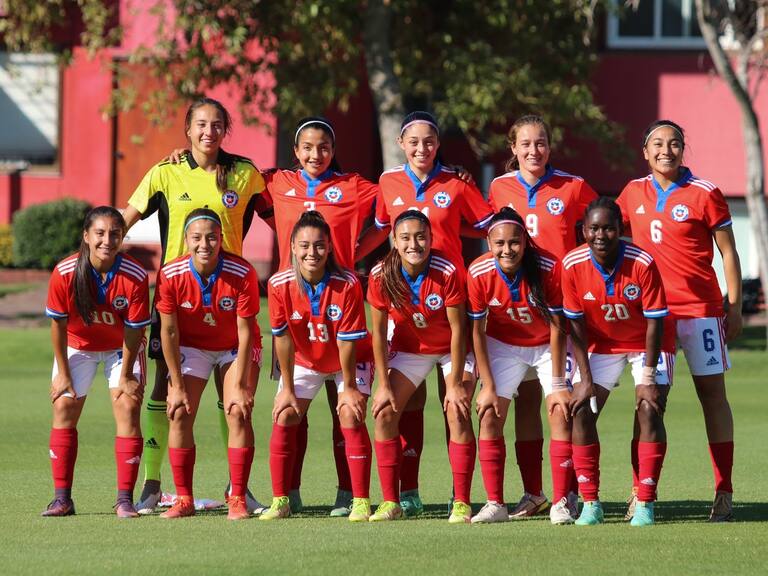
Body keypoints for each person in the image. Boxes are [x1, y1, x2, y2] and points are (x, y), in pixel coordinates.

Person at [123, 97, 268, 513]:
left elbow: (283, 211)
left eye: (217, 124)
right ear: (187, 130)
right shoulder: (165, 171)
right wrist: (92, 248)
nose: (209, 131)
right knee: (165, 392)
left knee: (234, 399)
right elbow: (125, 219)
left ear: (226, 130)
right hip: (176, 299)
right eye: (201, 124)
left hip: (230, 295)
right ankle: (153, 483)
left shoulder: (244, 174)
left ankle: (236, 488)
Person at [616, 120, 742, 522]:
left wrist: (734, 306)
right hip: (653, 317)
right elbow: (599, 231)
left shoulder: (705, 193)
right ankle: (642, 492)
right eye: (657, 143)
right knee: (650, 401)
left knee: (713, 397)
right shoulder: (632, 192)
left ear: (683, 149)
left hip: (702, 312)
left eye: (674, 143)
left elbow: (728, 252)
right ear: (645, 151)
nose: (665, 150)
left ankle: (724, 490)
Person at [368, 111, 493, 516]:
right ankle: (403, 496)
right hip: (408, 303)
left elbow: (487, 225)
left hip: (450, 299)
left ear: (438, 145)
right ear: (402, 144)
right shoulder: (388, 182)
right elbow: (379, 226)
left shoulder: (456, 182)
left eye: (429, 141)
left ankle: (461, 501)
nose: (422, 148)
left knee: (454, 405)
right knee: (402, 407)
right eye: (414, 141)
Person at [487, 114, 598, 519]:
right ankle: (533, 493)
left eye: (541, 143)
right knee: (524, 403)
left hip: (559, 311)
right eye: (526, 144)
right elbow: (485, 230)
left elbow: (606, 226)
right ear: (512, 148)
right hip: (514, 316)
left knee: (561, 404)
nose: (534, 151)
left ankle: (565, 495)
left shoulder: (572, 186)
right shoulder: (499, 187)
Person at [562, 197, 674, 527]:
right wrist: (583, 379)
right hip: (601, 345)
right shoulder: (572, 265)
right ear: (583, 231)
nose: (601, 235)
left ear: (620, 229)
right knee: (580, 409)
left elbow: (656, 322)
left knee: (648, 408)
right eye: (594, 228)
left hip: (647, 345)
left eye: (609, 228)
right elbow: (576, 325)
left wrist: (648, 377)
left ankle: (645, 502)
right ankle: (591, 503)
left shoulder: (642, 262)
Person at [263, 211, 373, 521]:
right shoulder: (278, 284)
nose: (312, 253)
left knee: (350, 414)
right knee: (285, 413)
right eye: (305, 246)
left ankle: (360, 499)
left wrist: (349, 388)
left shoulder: (347, 284)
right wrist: (286, 388)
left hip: (347, 361)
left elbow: (347, 342)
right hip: (305, 360)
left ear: (330, 248)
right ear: (293, 248)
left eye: (320, 246)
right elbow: (282, 340)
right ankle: (281, 499)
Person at [367, 210, 476, 523]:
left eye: (420, 237)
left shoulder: (448, 270)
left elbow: (458, 330)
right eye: (405, 237)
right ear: (395, 241)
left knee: (457, 409)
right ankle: (391, 502)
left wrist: (455, 384)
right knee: (385, 411)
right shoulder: (380, 275)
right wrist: (384, 386)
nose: (414, 243)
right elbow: (378, 334)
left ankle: (462, 502)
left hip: (451, 349)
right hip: (411, 349)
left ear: (431, 239)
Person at [43, 206, 150, 518]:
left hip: (121, 349)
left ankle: (124, 500)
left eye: (115, 233)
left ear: (122, 237)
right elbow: (58, 325)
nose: (107, 240)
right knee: (64, 406)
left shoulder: (135, 275)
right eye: (100, 233)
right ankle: (62, 499)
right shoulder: (64, 272)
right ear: (86, 236)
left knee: (128, 406)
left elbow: (135, 329)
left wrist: (128, 373)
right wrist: (63, 373)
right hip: (78, 346)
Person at [467, 207, 571, 524]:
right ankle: (495, 504)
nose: (507, 250)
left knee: (559, 410)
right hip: (504, 346)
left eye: (514, 242)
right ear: (489, 242)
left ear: (525, 242)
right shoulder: (478, 272)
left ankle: (563, 502)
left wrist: (557, 384)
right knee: (489, 412)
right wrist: (487, 386)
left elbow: (558, 326)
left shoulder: (548, 267)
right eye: (499, 243)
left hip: (546, 345)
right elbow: (476, 331)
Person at [153, 209, 260, 520]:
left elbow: (246, 332)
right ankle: (183, 498)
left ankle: (237, 496)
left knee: (237, 410)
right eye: (197, 237)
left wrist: (240, 384)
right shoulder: (171, 275)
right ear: (186, 240)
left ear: (221, 239)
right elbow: (169, 331)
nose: (204, 244)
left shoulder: (242, 272)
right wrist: (175, 383)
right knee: (178, 411)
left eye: (211, 237)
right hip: (193, 348)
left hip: (233, 348)